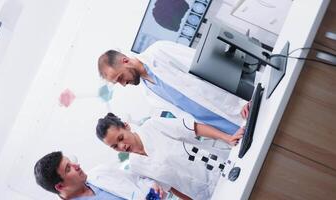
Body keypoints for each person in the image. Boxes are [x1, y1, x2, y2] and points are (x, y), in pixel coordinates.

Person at [97, 40, 250, 136]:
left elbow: (210, 68)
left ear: (125, 61)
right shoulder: (149, 94)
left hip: (242, 106)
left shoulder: (159, 51)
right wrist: (227, 137)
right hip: (233, 131)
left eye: (120, 78)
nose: (124, 84)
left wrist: (243, 99)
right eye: (119, 83)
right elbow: (189, 120)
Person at [96, 112, 244, 200]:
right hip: (206, 196)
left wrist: (227, 138)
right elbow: (172, 188)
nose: (122, 146)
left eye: (120, 138)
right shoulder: (136, 166)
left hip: (221, 168)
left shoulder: (153, 126)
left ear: (126, 126)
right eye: (115, 146)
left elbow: (195, 128)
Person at [34, 151, 166, 200]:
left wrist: (151, 185)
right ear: (60, 186)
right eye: (69, 169)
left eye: (71, 162)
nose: (77, 166)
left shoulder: (100, 172)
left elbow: (137, 179)